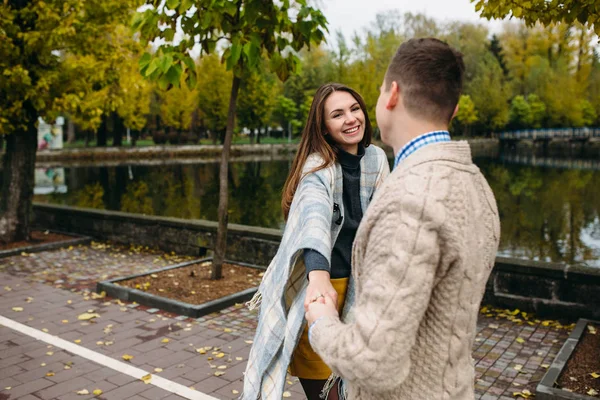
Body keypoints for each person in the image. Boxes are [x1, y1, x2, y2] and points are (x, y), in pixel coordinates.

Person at [305, 38, 501, 400]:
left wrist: (320, 323)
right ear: (454, 109)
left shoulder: (409, 201)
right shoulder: (478, 186)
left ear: (391, 94)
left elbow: (371, 361)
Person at [242, 83, 390, 400]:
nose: (351, 119)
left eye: (354, 109)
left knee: (361, 386)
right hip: (321, 294)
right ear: (323, 126)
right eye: (337, 114)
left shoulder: (376, 160)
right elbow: (313, 222)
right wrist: (318, 277)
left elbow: (385, 223)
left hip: (362, 291)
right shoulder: (317, 166)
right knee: (327, 393)